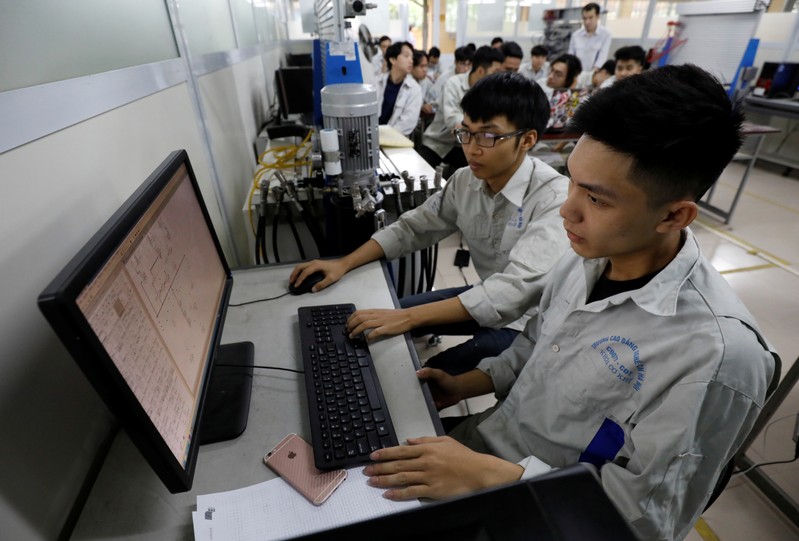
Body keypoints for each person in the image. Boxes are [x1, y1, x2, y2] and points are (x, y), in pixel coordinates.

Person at [361, 64, 778, 541]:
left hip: (546, 514)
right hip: (487, 449)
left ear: (675, 214)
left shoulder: (716, 357)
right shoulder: (587, 259)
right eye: (571, 181)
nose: (566, 209)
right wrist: (465, 384)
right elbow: (534, 348)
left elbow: (641, 520)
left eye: (596, 199)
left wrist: (486, 478)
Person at [291, 72, 569, 375]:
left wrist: (410, 319)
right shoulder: (466, 181)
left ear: (527, 139)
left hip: (531, 323)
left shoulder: (554, 199)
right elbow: (413, 227)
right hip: (484, 297)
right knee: (378, 320)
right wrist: (343, 264)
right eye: (466, 133)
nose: (472, 149)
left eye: (488, 136)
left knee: (430, 372)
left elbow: (513, 291)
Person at [417, 46, 505, 171]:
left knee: (484, 172)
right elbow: (452, 119)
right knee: (419, 175)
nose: (498, 78)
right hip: (437, 141)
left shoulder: (492, 92)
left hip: (464, 147)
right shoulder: (453, 83)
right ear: (480, 71)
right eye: (496, 72)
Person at [375, 42, 423, 137]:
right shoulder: (376, 82)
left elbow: (407, 123)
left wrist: (382, 137)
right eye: (406, 56)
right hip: (372, 136)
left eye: (412, 57)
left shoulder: (414, 89)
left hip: (395, 141)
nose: (411, 61)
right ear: (393, 60)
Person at [568, 3, 612, 71]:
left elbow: (602, 58)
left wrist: (590, 76)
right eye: (584, 18)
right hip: (576, 73)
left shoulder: (605, 34)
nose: (587, 22)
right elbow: (571, 57)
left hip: (594, 74)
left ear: (597, 16)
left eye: (591, 18)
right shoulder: (576, 35)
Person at [411, 49, 435, 117]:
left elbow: (434, 95)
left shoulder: (425, 81)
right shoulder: (406, 82)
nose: (425, 70)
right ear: (412, 67)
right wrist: (421, 106)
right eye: (421, 66)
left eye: (426, 66)